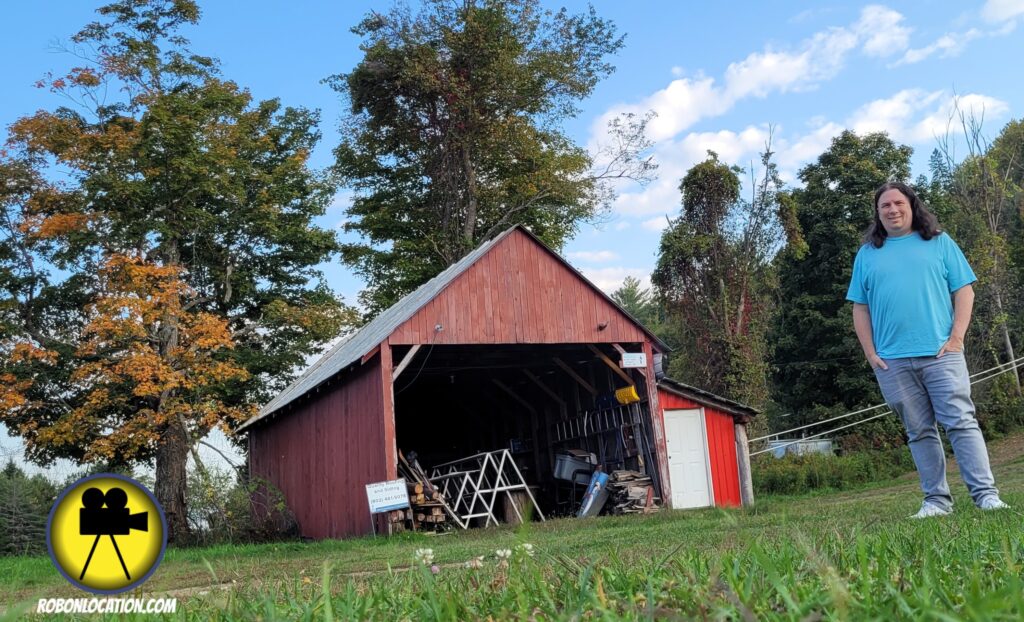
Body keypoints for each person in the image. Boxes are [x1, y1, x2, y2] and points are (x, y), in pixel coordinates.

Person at [846, 181, 1009, 519]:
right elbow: (859, 307)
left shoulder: (938, 242)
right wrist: (871, 354)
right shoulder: (868, 254)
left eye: (898, 203)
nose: (892, 210)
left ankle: (986, 496)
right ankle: (936, 501)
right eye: (885, 206)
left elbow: (964, 290)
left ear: (911, 205)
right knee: (919, 432)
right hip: (892, 362)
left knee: (961, 423)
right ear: (878, 214)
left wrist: (956, 339)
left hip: (941, 354)